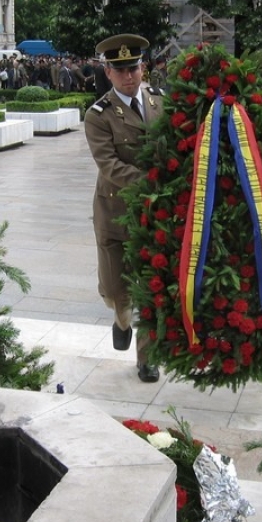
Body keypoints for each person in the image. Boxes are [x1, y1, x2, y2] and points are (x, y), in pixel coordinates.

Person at [83, 33, 164, 383]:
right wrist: (154, 184)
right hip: (116, 212)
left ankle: (147, 358)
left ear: (143, 67)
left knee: (150, 287)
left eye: (133, 68)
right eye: (121, 70)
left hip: (155, 216)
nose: (129, 76)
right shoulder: (98, 115)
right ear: (108, 72)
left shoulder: (161, 103)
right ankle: (121, 319)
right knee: (117, 290)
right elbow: (110, 165)